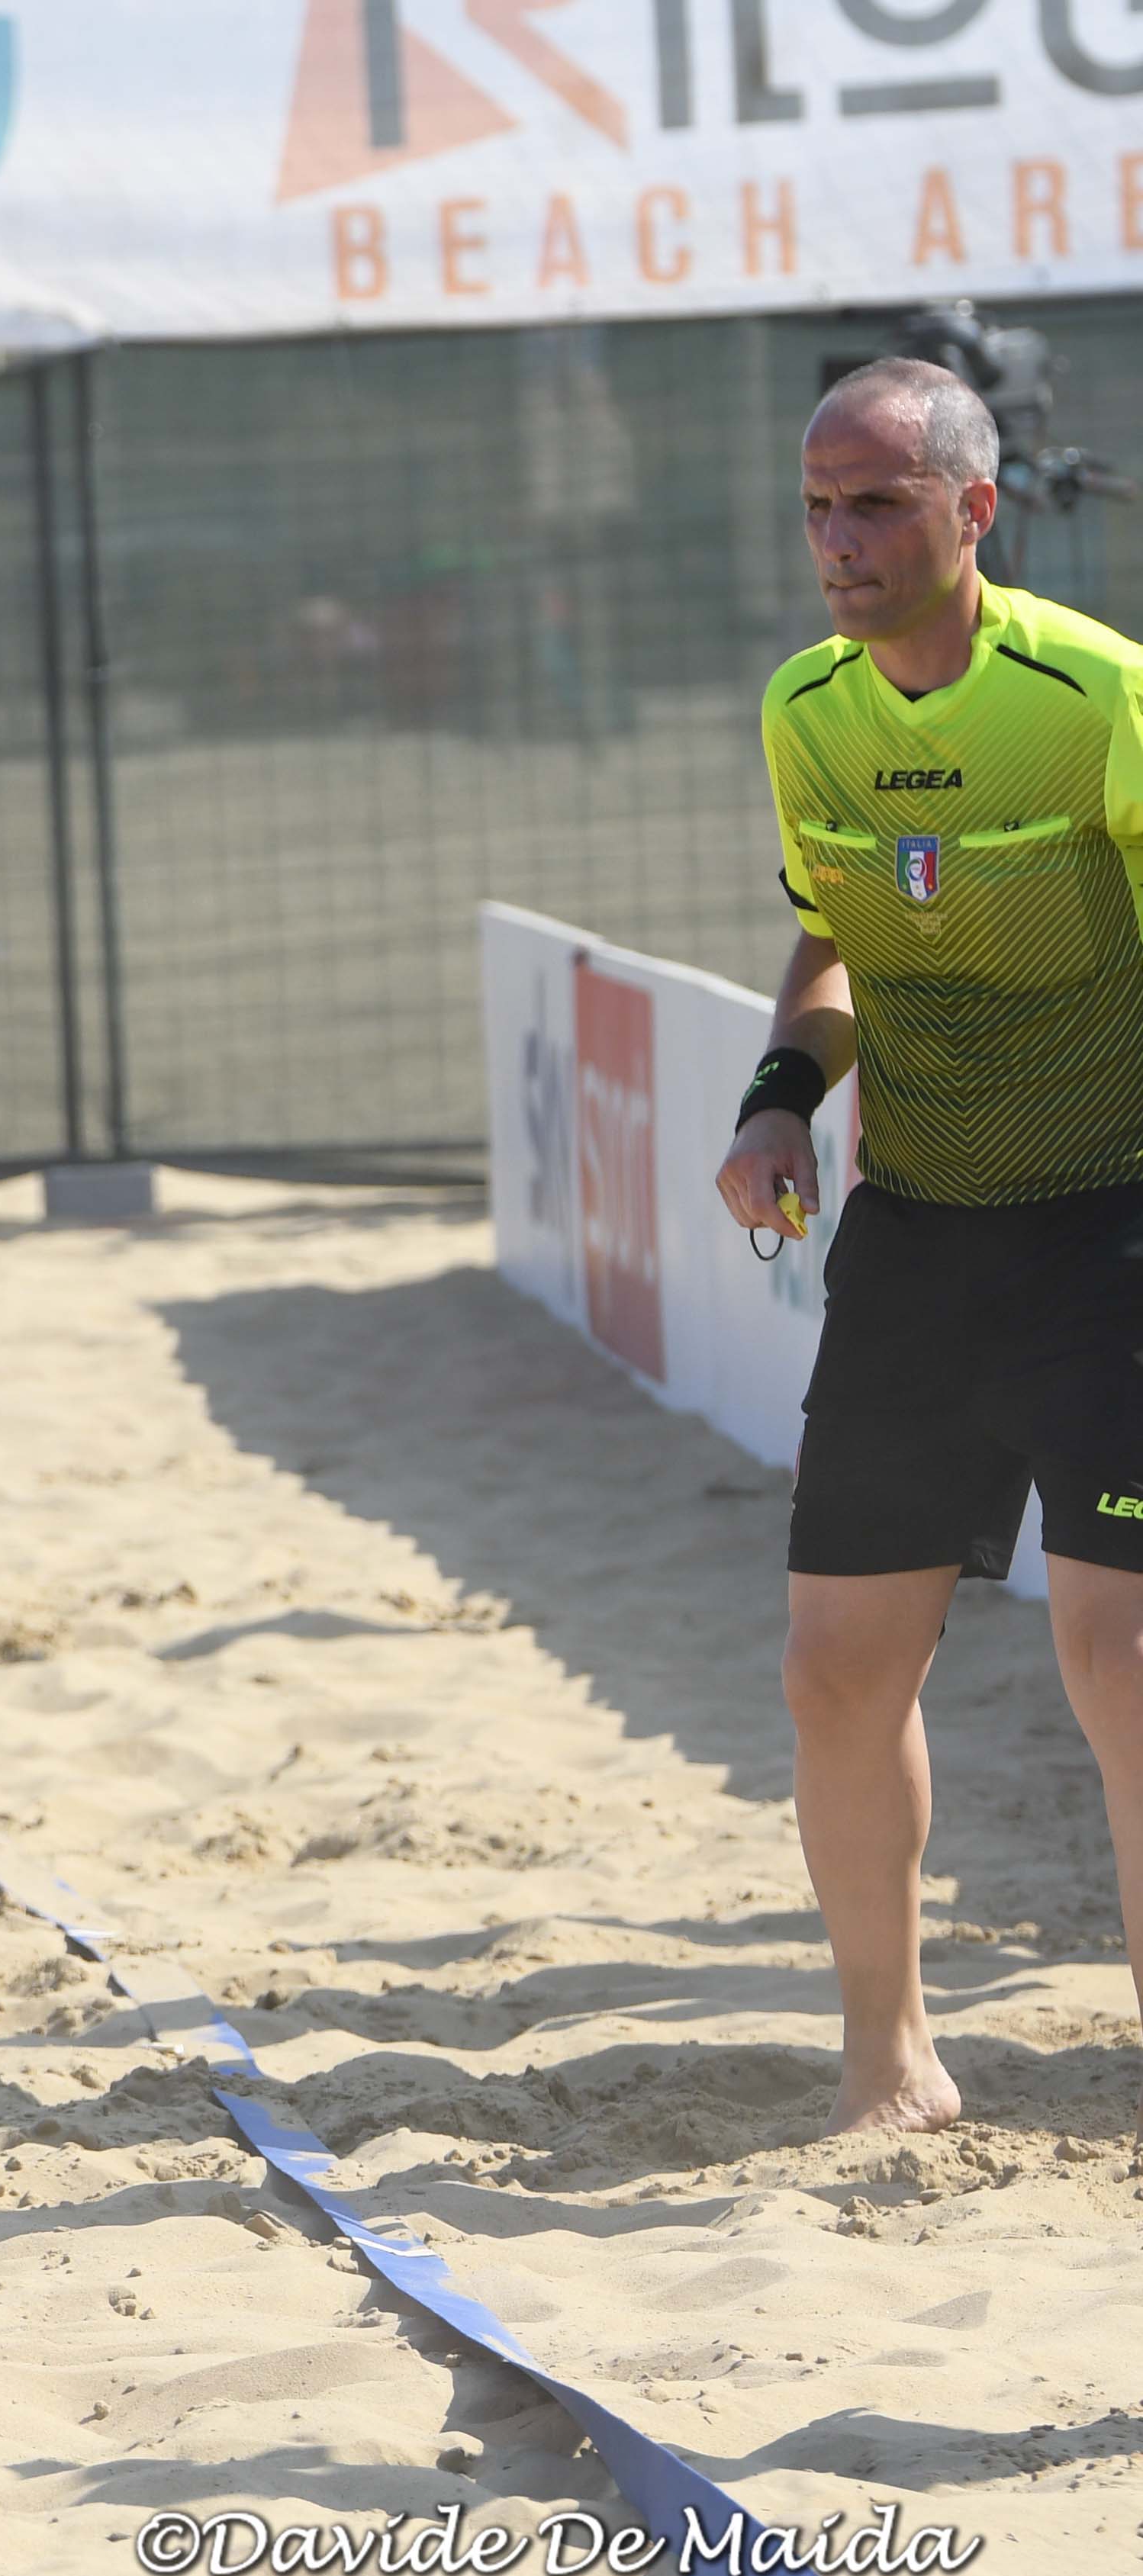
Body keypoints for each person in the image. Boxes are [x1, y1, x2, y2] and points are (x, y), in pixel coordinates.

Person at [714, 355, 1143, 2138]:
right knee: (832, 1667)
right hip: (916, 1240)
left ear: (975, 510)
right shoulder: (803, 707)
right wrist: (775, 1103)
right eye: (818, 505)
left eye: (877, 502)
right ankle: (887, 2057)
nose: (838, 538)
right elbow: (830, 941)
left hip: (1114, 1235)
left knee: (1122, 1661)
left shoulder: (1097, 695)